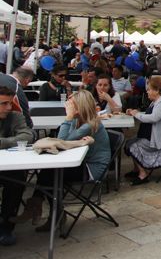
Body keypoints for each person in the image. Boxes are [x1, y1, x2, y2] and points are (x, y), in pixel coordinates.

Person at [17, 90, 111, 230]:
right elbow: (64, 141)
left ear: (80, 106)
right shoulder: (78, 120)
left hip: (93, 169)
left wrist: (67, 117)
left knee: (50, 175)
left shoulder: (90, 124)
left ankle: (50, 213)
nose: (68, 106)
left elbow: (61, 140)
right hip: (83, 163)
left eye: (71, 104)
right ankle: (48, 212)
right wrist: (70, 119)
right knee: (49, 173)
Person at [125, 76, 161, 185]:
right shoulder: (156, 101)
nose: (147, 92)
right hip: (153, 137)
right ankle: (137, 169)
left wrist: (136, 114)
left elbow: (153, 118)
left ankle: (143, 174)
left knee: (132, 146)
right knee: (130, 142)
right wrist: (135, 112)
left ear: (157, 90)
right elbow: (150, 115)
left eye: (149, 89)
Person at [0, 86, 34, 245]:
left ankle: (7, 225)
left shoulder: (15, 116)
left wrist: (2, 143)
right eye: (4, 103)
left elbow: (28, 136)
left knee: (18, 178)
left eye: (10, 103)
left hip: (10, 168)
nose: (8, 107)